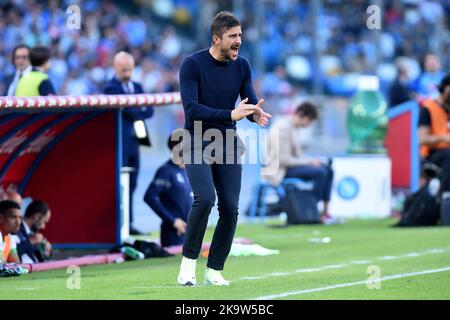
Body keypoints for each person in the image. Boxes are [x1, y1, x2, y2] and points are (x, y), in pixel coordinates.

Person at [177, 11, 271, 286]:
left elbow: (250, 100)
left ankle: (214, 269)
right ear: (217, 39)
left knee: (230, 207)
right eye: (232, 36)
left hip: (228, 142)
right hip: (196, 139)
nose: (238, 40)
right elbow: (192, 110)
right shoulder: (191, 65)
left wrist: (256, 114)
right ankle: (188, 265)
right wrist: (231, 115)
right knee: (205, 199)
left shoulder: (241, 66)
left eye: (240, 35)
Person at [103, 51, 154, 235]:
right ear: (115, 68)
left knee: (132, 184)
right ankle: (117, 225)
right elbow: (131, 111)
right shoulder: (110, 88)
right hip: (120, 143)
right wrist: (138, 110)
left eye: (130, 69)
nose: (127, 73)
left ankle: (129, 223)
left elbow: (149, 110)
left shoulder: (138, 86)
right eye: (123, 70)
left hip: (135, 142)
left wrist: (136, 110)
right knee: (119, 184)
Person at [261, 102, 335, 223]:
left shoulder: (294, 128)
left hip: (288, 166)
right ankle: (311, 210)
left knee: (328, 169)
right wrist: (309, 161)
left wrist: (312, 161)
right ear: (301, 115)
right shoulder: (282, 128)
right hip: (279, 169)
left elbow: (296, 156)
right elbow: (283, 159)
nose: (309, 124)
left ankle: (325, 212)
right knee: (320, 172)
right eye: (309, 120)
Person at [144, 133, 193, 247]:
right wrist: (173, 221)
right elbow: (149, 197)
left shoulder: (189, 171)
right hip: (174, 235)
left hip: (191, 233)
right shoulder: (166, 171)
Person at [418, 74, 450, 192]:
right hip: (433, 154)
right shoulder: (428, 108)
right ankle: (447, 196)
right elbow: (422, 139)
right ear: (444, 87)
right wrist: (445, 138)